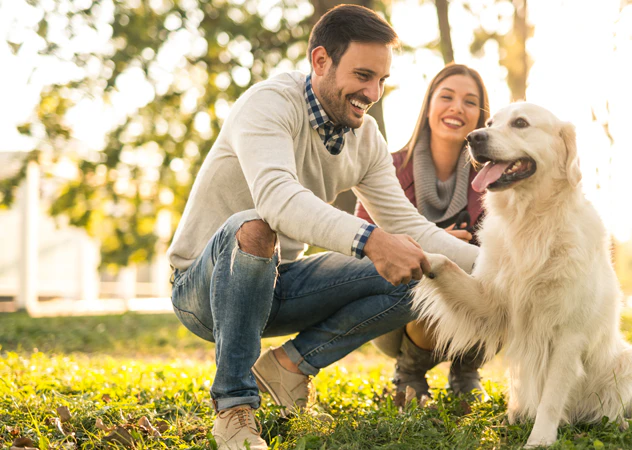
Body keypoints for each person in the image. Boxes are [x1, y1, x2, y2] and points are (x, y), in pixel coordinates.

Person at [166, 5, 479, 449]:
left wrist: (500, 267)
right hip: (204, 287)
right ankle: (234, 410)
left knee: (421, 267)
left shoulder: (367, 138)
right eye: (363, 75)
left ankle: (290, 366)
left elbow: (410, 226)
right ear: (320, 61)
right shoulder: (269, 104)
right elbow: (277, 199)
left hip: (280, 283)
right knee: (255, 225)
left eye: (381, 81)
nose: (372, 92)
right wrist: (370, 241)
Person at [355, 64, 490, 400]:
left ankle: (466, 370)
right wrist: (436, 241)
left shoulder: (493, 180)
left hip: (473, 310)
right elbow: (360, 245)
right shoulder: (387, 167)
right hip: (398, 313)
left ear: (480, 118)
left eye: (470, 102)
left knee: (507, 279)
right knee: (435, 276)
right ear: (429, 105)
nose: (457, 107)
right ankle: (409, 372)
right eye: (447, 97)